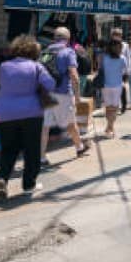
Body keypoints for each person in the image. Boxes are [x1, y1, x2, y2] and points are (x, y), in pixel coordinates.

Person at [0, 35, 55, 198]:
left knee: (8, 149)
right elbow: (50, 84)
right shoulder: (36, 67)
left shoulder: (3, 66)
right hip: (31, 112)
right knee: (31, 149)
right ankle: (29, 184)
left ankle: (2, 178)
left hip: (4, 113)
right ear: (34, 51)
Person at [40, 27, 89, 164]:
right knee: (71, 123)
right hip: (63, 94)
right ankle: (79, 148)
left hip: (46, 94)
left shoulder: (45, 51)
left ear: (54, 38)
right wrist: (78, 95)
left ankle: (41, 157)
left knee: (45, 127)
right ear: (68, 39)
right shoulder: (68, 52)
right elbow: (74, 76)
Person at [100, 37, 128, 138]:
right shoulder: (122, 58)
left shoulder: (104, 57)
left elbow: (101, 69)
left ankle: (109, 128)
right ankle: (110, 128)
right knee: (114, 108)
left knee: (108, 108)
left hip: (105, 86)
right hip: (117, 85)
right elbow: (125, 72)